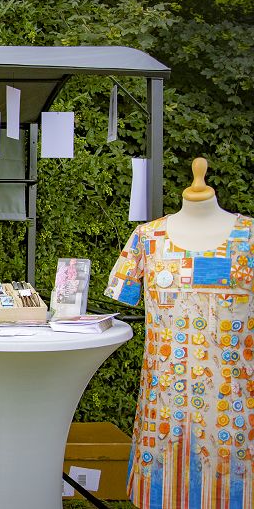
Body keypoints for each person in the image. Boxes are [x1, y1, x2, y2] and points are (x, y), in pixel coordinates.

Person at [105, 158, 254, 509]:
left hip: (232, 406)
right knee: (163, 489)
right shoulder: (146, 238)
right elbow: (123, 290)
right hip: (163, 405)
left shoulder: (249, 238)